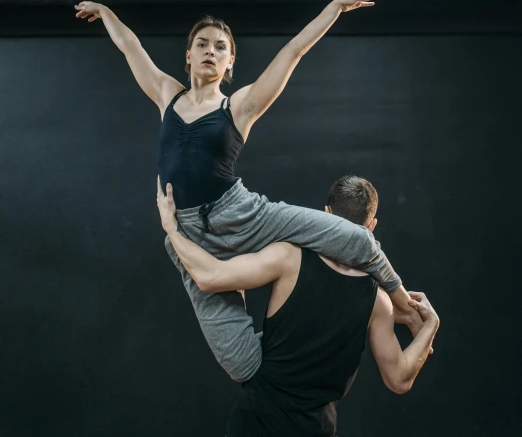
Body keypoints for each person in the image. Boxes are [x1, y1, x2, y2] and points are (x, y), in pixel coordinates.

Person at [74, 0, 421, 382]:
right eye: (201, 44)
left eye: (220, 47)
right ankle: (308, 346)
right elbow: (130, 47)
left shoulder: (238, 106)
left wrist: (334, 9)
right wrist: (106, 13)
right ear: (188, 55)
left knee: (353, 237)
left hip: (242, 215)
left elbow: (292, 52)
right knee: (242, 367)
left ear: (229, 62)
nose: (210, 51)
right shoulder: (167, 95)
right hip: (188, 236)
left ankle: (400, 299)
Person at [157, 174, 439, 437]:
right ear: (372, 226)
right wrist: (430, 325)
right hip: (315, 427)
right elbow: (400, 380)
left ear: (326, 214)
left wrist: (173, 229)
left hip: (257, 419)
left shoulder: (288, 257)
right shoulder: (378, 301)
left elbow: (211, 277)